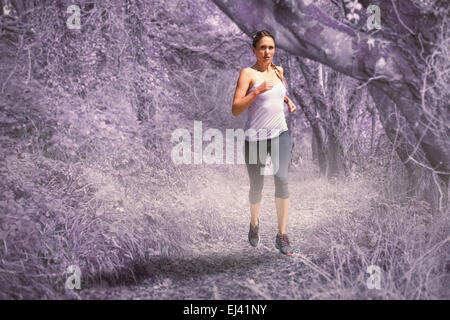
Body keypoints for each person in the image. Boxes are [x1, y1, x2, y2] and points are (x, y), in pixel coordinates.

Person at [232, 30, 297, 256]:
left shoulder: (279, 71)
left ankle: (282, 235)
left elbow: (278, 93)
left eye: (270, 47)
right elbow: (236, 109)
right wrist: (257, 90)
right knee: (257, 186)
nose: (267, 52)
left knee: (281, 178)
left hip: (280, 133)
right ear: (254, 50)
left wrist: (287, 100)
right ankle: (254, 223)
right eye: (262, 48)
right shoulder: (247, 74)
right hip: (255, 138)